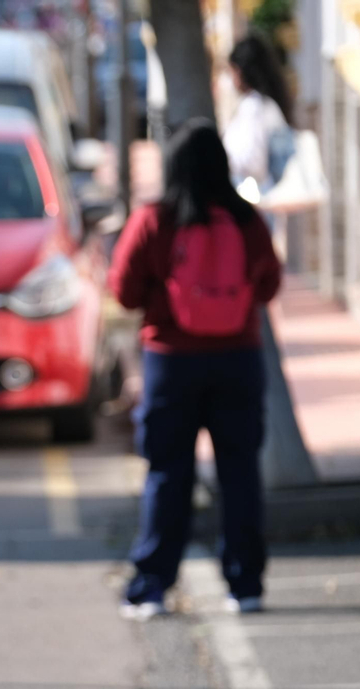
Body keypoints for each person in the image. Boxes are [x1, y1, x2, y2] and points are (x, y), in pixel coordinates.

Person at [108, 120, 283, 620]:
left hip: (171, 362)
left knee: (167, 472)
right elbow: (268, 285)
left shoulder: (154, 220)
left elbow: (123, 290)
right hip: (238, 359)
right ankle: (246, 585)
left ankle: (152, 586)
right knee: (239, 472)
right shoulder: (246, 220)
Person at [223, 34, 295, 193]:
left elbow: (253, 162)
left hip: (255, 199)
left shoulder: (253, 106)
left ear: (240, 71)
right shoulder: (268, 104)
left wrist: (222, 161)